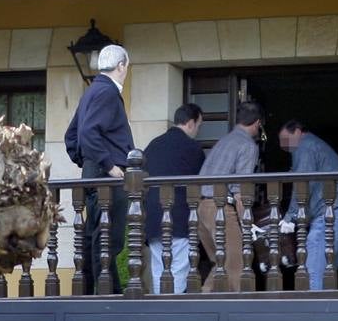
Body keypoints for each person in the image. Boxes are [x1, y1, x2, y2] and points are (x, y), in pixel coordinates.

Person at [64, 44, 134, 295]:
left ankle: (97, 290)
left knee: (97, 233)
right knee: (107, 237)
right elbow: (86, 133)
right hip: (107, 175)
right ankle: (107, 292)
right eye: (127, 66)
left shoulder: (92, 91)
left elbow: (72, 137)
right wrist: (108, 165)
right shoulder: (106, 92)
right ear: (121, 66)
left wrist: (87, 162)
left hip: (95, 172)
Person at [197, 101, 263, 292]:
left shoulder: (224, 140)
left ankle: (208, 312)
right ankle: (200, 309)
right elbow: (241, 190)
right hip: (220, 209)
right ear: (258, 123)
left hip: (200, 209)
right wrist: (247, 222)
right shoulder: (247, 145)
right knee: (235, 264)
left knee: (221, 265)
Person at [279, 121, 338, 291]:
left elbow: (303, 183)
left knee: (313, 274)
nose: (284, 146)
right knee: (325, 273)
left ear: (297, 131)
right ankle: (324, 316)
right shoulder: (315, 145)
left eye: (285, 140)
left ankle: (311, 316)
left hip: (331, 213)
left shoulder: (305, 146)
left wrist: (290, 217)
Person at [142, 103, 205, 293]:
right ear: (192, 122)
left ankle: (159, 315)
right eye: (199, 125)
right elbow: (203, 183)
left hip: (153, 218)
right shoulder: (193, 148)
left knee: (158, 270)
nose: (197, 130)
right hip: (180, 218)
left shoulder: (152, 145)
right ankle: (170, 317)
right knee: (178, 271)